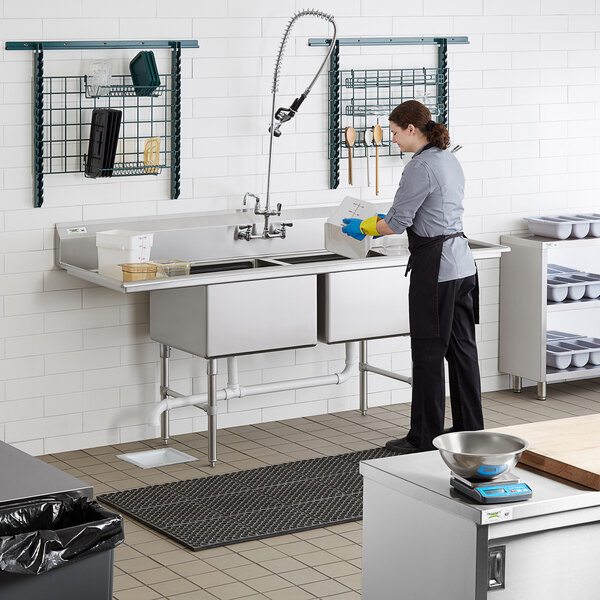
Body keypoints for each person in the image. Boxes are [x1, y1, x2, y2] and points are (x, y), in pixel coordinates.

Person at [342, 100, 484, 452]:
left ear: (411, 129)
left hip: (436, 269)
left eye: (394, 132)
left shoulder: (419, 167)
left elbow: (396, 223)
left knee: (428, 353)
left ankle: (424, 437)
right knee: (462, 351)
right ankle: (470, 430)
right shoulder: (448, 158)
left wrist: (364, 226)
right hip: (463, 266)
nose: (392, 139)